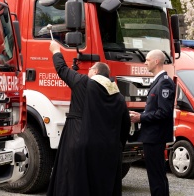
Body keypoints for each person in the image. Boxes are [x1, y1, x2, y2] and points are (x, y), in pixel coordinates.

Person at [47, 40, 131, 196]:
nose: (88, 71)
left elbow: (62, 69)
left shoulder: (83, 83)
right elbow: (125, 124)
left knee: (74, 182)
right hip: (108, 148)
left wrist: (56, 51)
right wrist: (118, 145)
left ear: (96, 72)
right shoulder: (118, 96)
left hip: (79, 139)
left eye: (91, 68)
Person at [130, 49, 175, 196]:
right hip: (153, 136)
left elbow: (164, 112)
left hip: (155, 137)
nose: (145, 63)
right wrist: (141, 115)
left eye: (147, 60)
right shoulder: (159, 81)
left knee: (156, 176)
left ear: (156, 62)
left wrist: (141, 118)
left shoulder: (164, 83)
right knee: (156, 175)